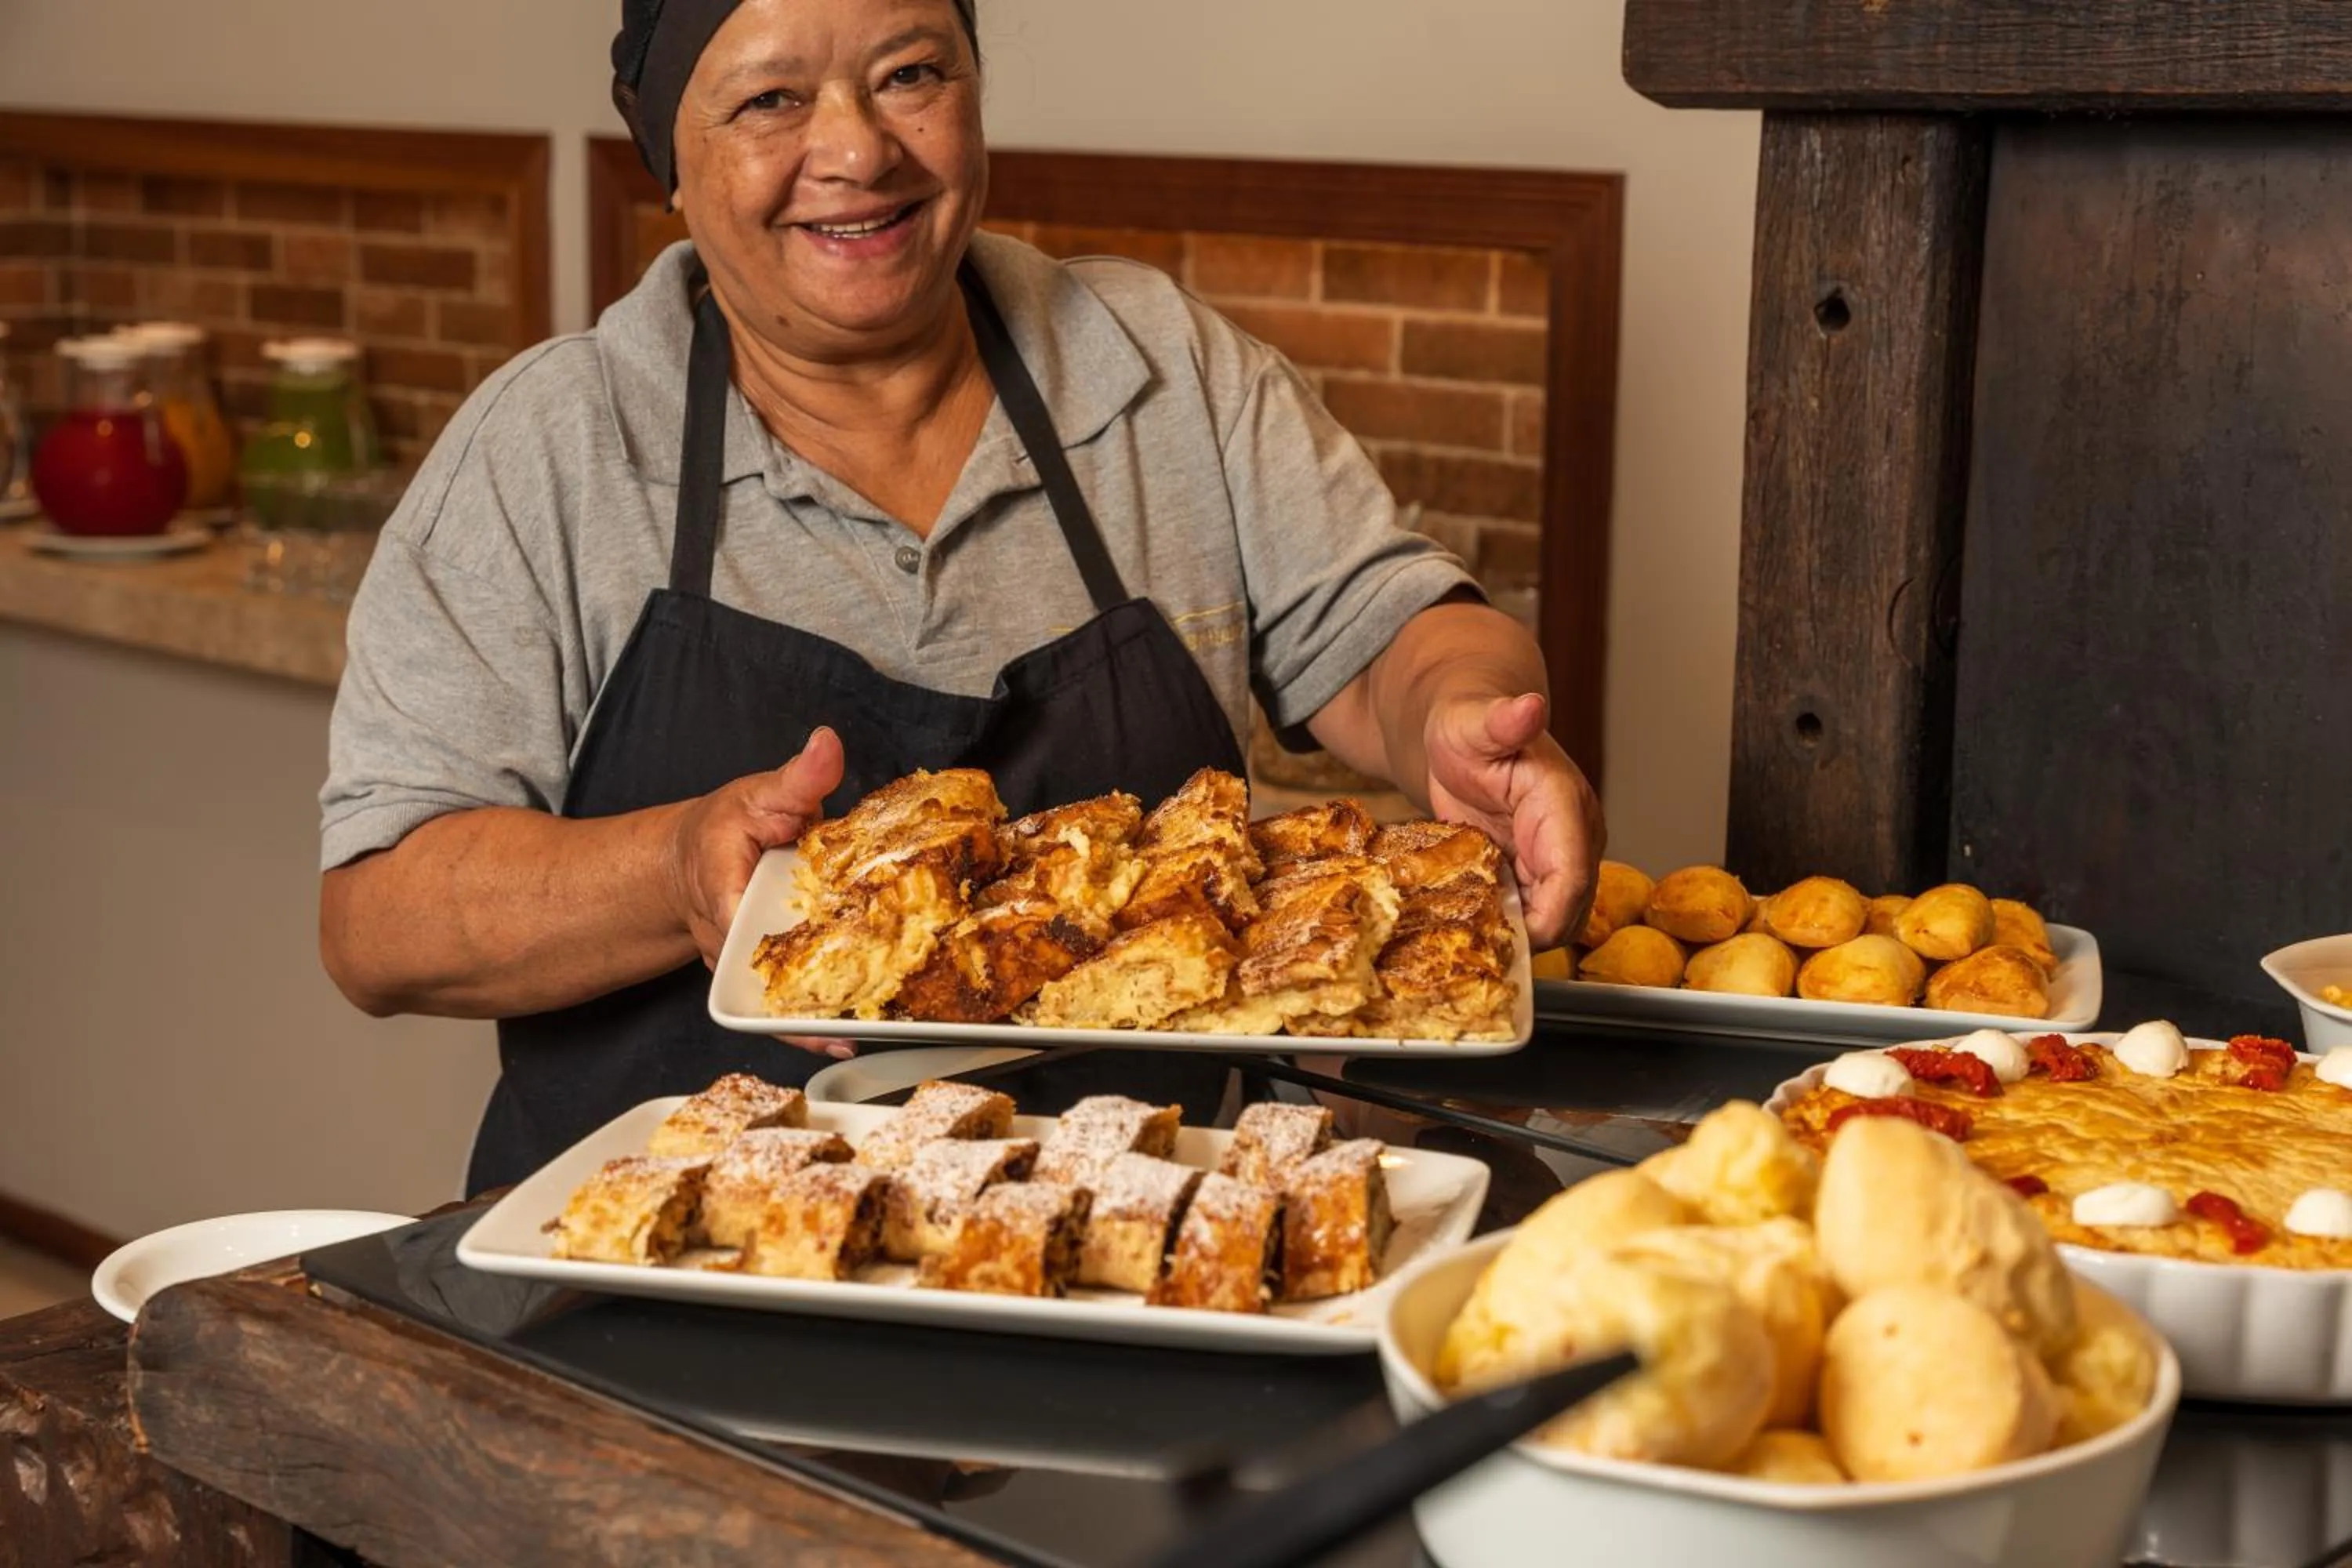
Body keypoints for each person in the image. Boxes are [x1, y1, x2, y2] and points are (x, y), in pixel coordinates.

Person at [318, 0, 1604, 1195]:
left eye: (912, 76)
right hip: (665, 1270)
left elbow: (1390, 631)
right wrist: (673, 870)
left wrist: (1464, 710)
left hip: (1131, 1254)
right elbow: (380, 920)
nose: (858, 151)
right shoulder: (553, 447)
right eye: (771, 100)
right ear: (667, 150)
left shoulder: (1159, 367)